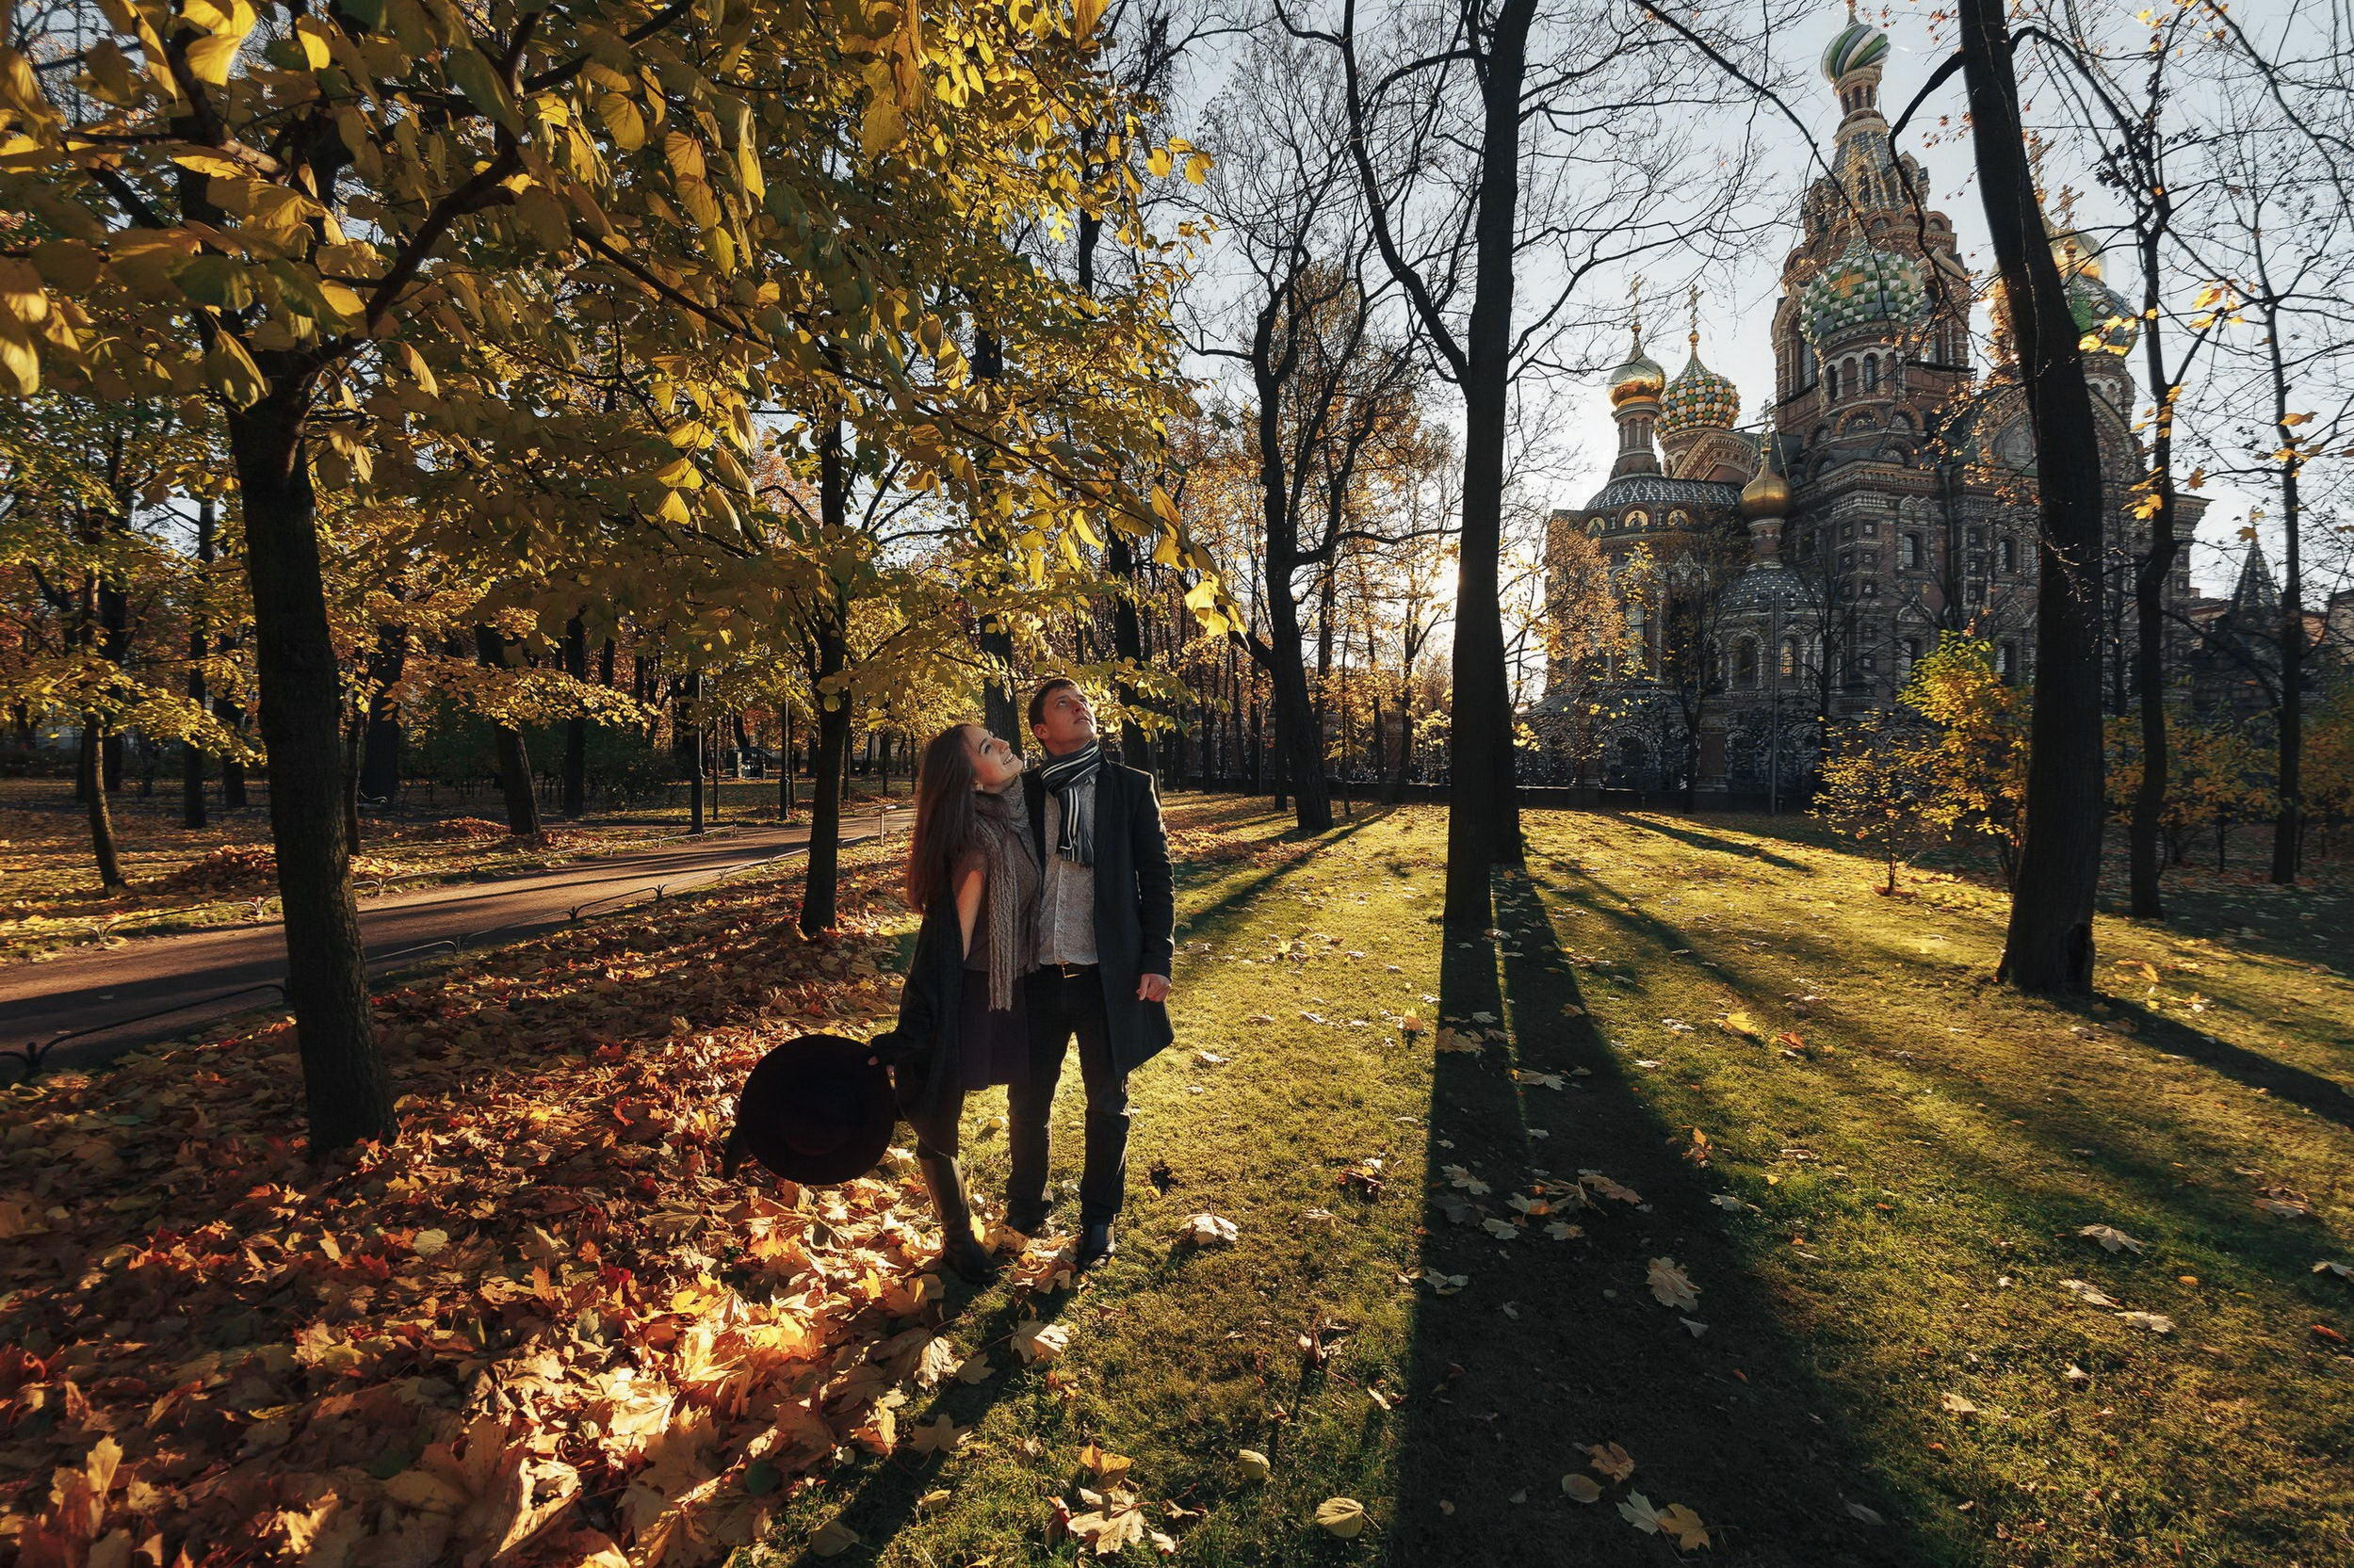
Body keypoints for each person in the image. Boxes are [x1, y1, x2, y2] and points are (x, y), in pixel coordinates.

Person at [1008, 678, 1175, 1270]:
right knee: (1028, 1099)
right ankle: (1025, 1205)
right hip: (1035, 975)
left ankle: (1098, 1218)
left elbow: (1156, 877)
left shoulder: (1129, 788)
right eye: (1063, 704)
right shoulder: (1020, 792)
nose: (1081, 707)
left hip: (1108, 975)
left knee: (1108, 1102)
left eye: (1084, 701)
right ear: (1040, 731)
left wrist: (1158, 958)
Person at [873, 720, 1039, 1283]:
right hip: (969, 991)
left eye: (997, 738)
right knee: (939, 1113)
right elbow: (947, 945)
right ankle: (958, 1240)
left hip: (1009, 985)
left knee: (1012, 1096)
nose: (1006, 745)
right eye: (990, 747)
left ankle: (1023, 1203)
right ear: (970, 782)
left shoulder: (1012, 821)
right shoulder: (977, 846)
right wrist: (921, 1027)